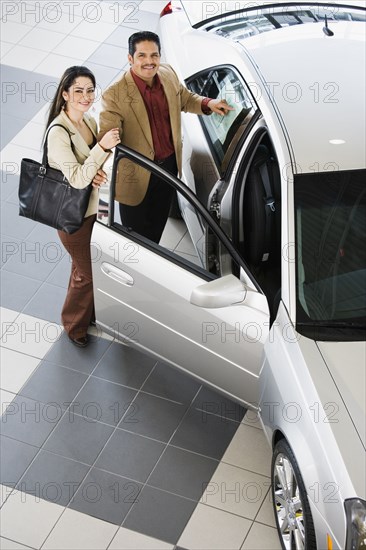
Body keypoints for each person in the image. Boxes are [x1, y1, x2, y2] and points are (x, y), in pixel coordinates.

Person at [98, 30, 233, 243]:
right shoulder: (114, 95)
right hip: (136, 175)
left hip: (168, 167)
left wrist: (208, 103)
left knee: (157, 225)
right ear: (130, 58)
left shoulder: (167, 73)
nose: (149, 62)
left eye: (154, 55)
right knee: (136, 237)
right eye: (142, 56)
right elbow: (106, 138)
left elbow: (185, 99)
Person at [46, 66, 120, 348]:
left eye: (90, 90)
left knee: (80, 268)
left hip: (90, 210)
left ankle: (81, 314)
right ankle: (74, 326)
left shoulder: (87, 121)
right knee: (88, 273)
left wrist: (97, 171)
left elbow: (88, 167)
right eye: (78, 90)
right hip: (71, 217)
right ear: (65, 94)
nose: (86, 96)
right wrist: (102, 147)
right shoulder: (58, 132)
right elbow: (77, 178)